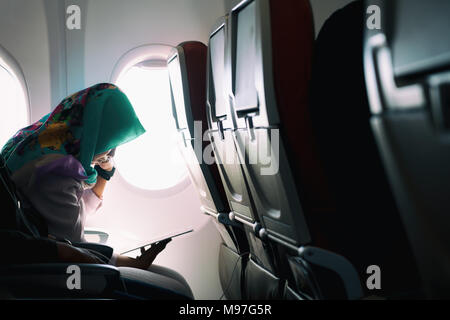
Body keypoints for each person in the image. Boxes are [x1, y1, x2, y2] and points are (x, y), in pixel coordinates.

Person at [0, 83, 193, 298]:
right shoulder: (55, 171)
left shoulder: (50, 143)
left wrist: (105, 173)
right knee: (177, 293)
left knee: (175, 280)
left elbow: (74, 210)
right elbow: (74, 243)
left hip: (50, 252)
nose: (111, 151)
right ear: (94, 133)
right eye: (110, 142)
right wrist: (131, 262)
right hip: (53, 271)